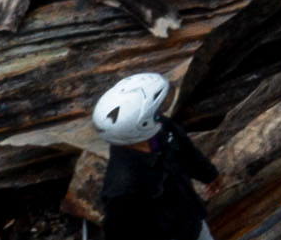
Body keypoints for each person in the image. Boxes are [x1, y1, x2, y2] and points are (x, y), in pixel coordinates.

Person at [93, 74, 217, 240]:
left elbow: (185, 149)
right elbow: (118, 231)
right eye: (157, 111)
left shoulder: (160, 129)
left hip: (192, 219)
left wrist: (208, 174)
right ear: (140, 126)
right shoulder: (123, 186)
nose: (162, 112)